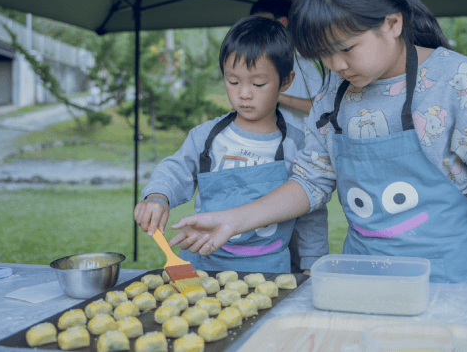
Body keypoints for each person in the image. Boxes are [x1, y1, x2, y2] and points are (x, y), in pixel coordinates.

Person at [168, 0, 467, 286]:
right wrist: (233, 220)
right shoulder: (334, 93)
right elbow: (312, 181)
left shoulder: (461, 84)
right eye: (324, 54)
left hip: (448, 283)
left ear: (392, 23)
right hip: (362, 280)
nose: (336, 65)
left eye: (346, 48)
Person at [134, 15, 328, 273]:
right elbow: (175, 169)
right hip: (203, 266)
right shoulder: (206, 137)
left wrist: (311, 265)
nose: (244, 93)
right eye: (233, 81)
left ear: (286, 81)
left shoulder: (298, 144)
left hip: (269, 270)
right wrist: (157, 196)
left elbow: (311, 211)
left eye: (258, 83)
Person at [250, 0, 330, 274]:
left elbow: (320, 109)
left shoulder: (304, 64)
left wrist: (275, 94)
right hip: (267, 157)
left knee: (300, 224)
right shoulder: (260, 60)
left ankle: (301, 275)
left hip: (303, 158)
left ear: (283, 23)